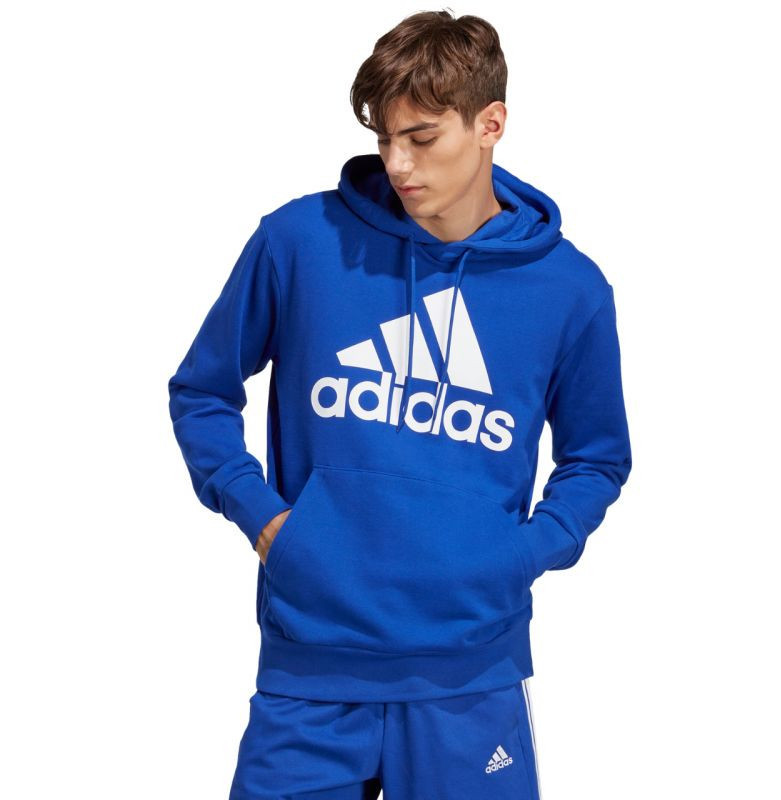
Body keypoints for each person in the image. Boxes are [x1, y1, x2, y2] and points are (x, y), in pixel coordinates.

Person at [167, 10, 632, 799]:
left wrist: (518, 556)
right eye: (385, 138)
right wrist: (269, 523)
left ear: (490, 125)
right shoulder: (301, 242)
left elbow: (597, 458)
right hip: (311, 668)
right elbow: (202, 392)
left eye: (421, 138)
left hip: (470, 676)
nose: (397, 162)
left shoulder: (568, 289)